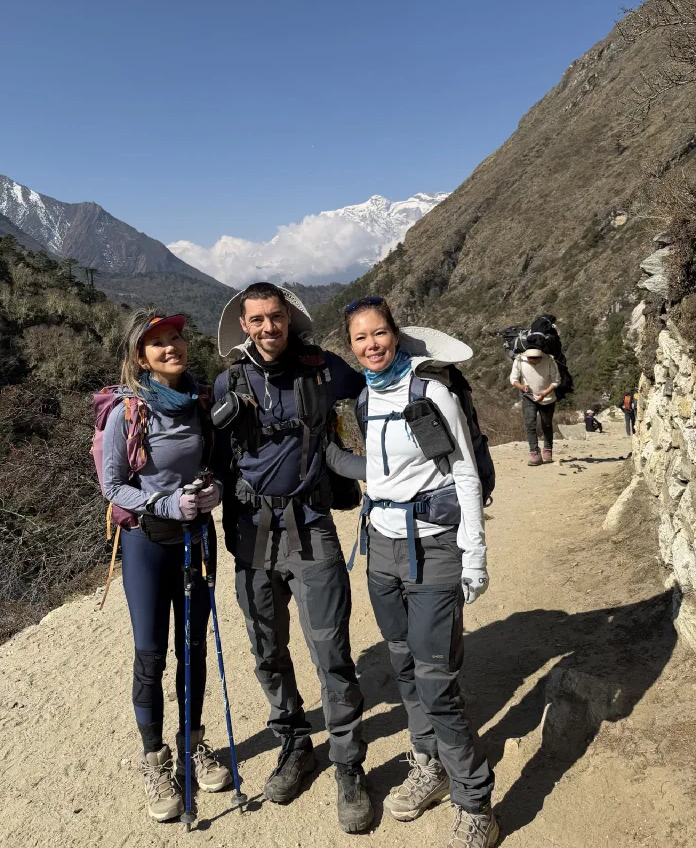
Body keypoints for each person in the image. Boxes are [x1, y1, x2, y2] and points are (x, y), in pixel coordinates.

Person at [212, 282, 373, 833]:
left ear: (288, 319)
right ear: (243, 325)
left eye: (274, 317)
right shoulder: (227, 382)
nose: (266, 328)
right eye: (255, 320)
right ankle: (295, 743)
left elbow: (377, 373)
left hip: (310, 523)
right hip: (252, 528)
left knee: (330, 648)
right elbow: (204, 453)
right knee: (267, 648)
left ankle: (348, 765)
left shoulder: (323, 369)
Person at [344, 297, 498, 848]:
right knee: (404, 665)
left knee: (437, 681)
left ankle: (474, 801)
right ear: (351, 345)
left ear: (396, 335)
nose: (372, 345)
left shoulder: (428, 393)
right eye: (361, 338)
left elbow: (462, 471)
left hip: (432, 549)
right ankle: (427, 762)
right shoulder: (366, 396)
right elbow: (382, 470)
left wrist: (474, 552)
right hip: (381, 549)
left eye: (380, 333)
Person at [101, 309, 232, 823]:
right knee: (152, 653)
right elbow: (113, 485)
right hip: (147, 542)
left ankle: (192, 743)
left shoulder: (200, 401)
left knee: (193, 646)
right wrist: (164, 504)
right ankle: (155, 759)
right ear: (141, 357)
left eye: (175, 338)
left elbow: (215, 464)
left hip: (197, 535)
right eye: (157, 343)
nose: (170, 347)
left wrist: (214, 490)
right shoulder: (126, 412)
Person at [510, 347, 560, 465]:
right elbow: (513, 379)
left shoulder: (549, 361)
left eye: (536, 358)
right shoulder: (519, 360)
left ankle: (547, 449)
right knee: (530, 424)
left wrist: (544, 393)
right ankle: (534, 453)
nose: (533, 361)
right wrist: (522, 387)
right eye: (530, 358)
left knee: (546, 424)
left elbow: (556, 380)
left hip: (547, 398)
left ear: (541, 357)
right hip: (528, 397)